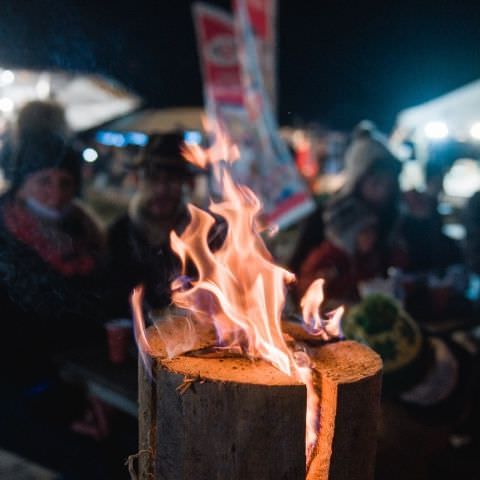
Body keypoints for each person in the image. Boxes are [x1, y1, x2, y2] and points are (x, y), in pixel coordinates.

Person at [0, 119, 109, 477]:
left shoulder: (86, 233)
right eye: (43, 181)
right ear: (20, 185)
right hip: (21, 403)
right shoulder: (5, 240)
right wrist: (64, 405)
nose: (56, 194)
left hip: (82, 384)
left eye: (65, 183)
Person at [107, 131, 202, 318]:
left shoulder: (202, 235)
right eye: (153, 178)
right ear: (136, 180)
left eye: (172, 180)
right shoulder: (119, 234)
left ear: (187, 184)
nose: (161, 189)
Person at [289, 120, 402, 274]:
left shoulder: (390, 219)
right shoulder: (328, 216)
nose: (383, 190)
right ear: (357, 179)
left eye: (389, 184)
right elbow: (295, 270)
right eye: (376, 182)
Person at [297, 199, 406, 303]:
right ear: (351, 234)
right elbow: (305, 289)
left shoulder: (368, 258)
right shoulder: (326, 256)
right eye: (365, 233)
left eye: (373, 232)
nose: (371, 238)